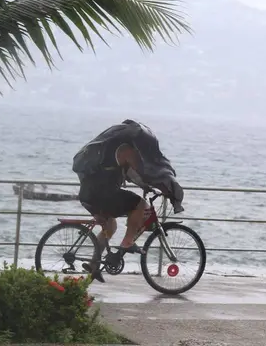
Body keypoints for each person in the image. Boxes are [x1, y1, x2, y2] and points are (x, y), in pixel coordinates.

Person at [71, 119, 184, 283]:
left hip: (89, 194)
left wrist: (144, 186)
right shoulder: (127, 151)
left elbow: (131, 175)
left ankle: (93, 264)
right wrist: (164, 188)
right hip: (104, 194)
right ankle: (127, 243)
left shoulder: (109, 149)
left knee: (110, 225)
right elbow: (143, 172)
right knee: (141, 205)